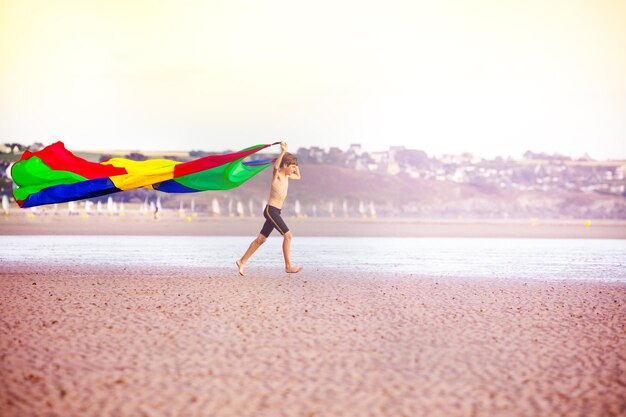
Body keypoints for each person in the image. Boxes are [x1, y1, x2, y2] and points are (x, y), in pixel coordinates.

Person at [236, 141, 302, 276]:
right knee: (288, 236)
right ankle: (288, 266)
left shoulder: (288, 176)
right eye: (292, 167)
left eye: (295, 167)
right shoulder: (277, 175)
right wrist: (283, 151)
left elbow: (299, 176)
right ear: (285, 165)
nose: (294, 170)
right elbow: (275, 167)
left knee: (261, 239)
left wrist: (295, 162)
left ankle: (242, 261)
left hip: (277, 211)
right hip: (270, 210)